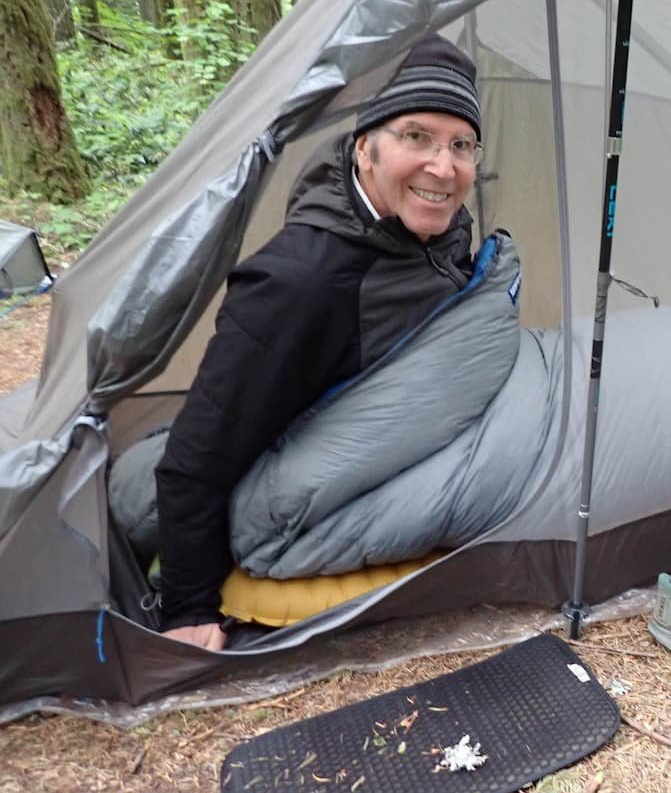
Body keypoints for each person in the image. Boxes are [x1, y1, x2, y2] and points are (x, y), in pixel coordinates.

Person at [154, 34, 487, 650]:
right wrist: (189, 605)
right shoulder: (299, 284)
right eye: (416, 137)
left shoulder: (438, 233)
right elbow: (197, 456)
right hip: (284, 487)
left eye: (460, 145)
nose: (444, 168)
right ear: (365, 148)